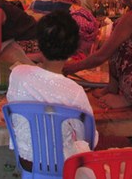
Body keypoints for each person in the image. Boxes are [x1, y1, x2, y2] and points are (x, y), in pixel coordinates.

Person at [7, 10, 98, 168]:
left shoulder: (18, 74)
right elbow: (89, 138)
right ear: (74, 50)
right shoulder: (74, 91)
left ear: (39, 44)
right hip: (61, 166)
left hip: (27, 161)